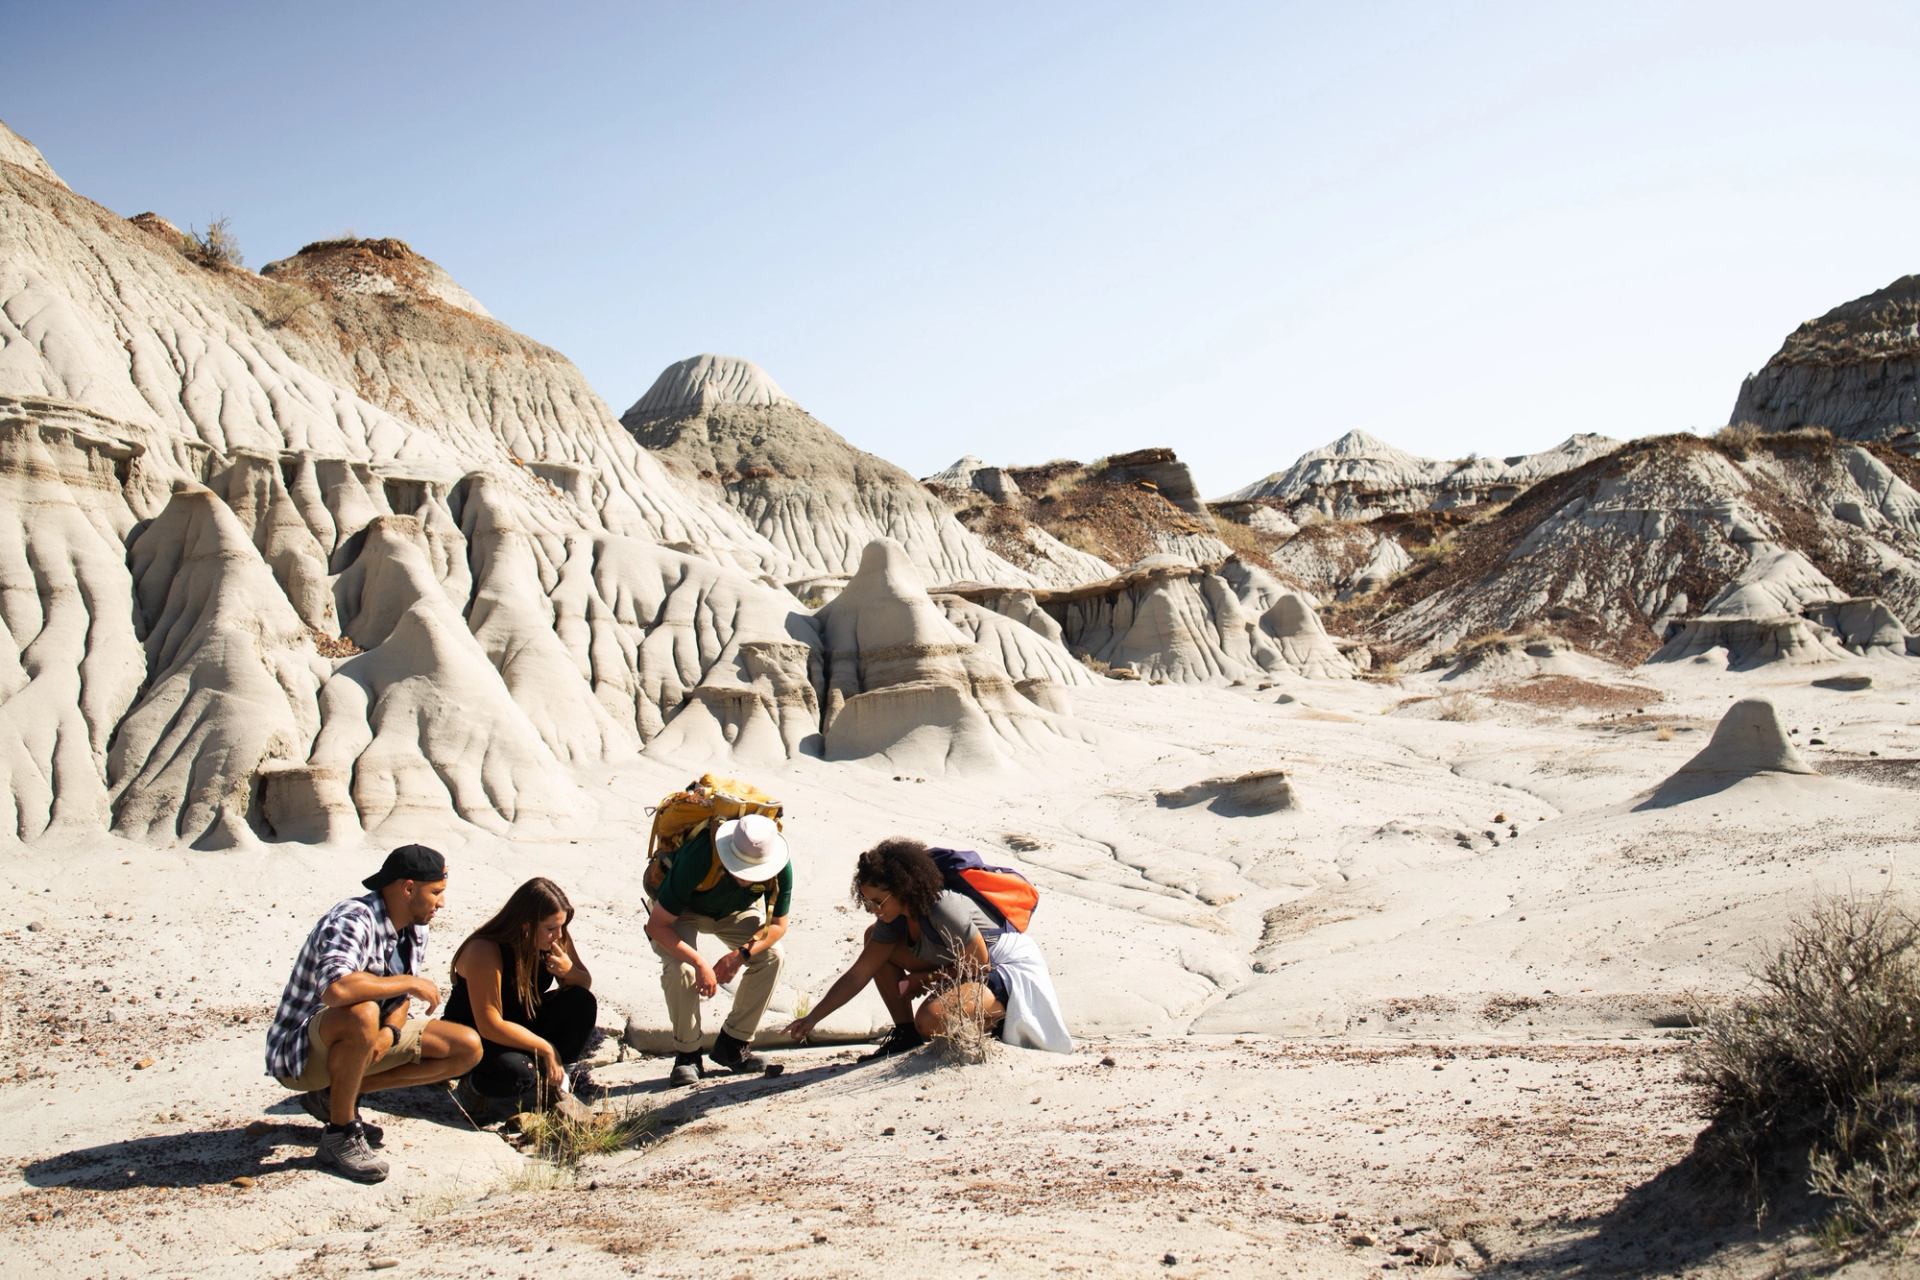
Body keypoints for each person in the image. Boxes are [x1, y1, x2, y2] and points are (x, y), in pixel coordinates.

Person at [264, 845, 483, 1183]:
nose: (441, 903)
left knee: (467, 1046)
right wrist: (410, 982)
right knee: (362, 1011)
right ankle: (340, 1134)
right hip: (301, 1055)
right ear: (408, 888)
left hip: (363, 1041)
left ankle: (336, 1097)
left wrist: (391, 1033)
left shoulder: (415, 927)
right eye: (436, 893)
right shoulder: (353, 919)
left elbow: (400, 999)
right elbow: (334, 989)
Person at [784, 838, 1073, 1058]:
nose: (872, 908)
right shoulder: (891, 918)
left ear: (903, 889)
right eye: (866, 901)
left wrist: (925, 979)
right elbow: (859, 974)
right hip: (963, 966)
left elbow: (979, 965)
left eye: (878, 901)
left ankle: (996, 1022)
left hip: (1004, 968)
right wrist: (812, 1019)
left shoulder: (941, 907)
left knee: (931, 1019)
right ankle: (905, 1033)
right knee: (875, 940)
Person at [644, 811, 790, 1085]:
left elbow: (779, 925)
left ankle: (733, 1045)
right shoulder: (699, 857)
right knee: (682, 968)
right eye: (741, 869)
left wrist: (740, 954)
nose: (747, 878)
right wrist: (701, 963)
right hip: (681, 911)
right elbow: (657, 925)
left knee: (772, 956)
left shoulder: (779, 860)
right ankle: (687, 1055)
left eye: (754, 872)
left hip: (732, 911)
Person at [444, 877, 597, 1116]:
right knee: (517, 1073)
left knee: (581, 1002)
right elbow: (490, 1024)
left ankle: (557, 1081)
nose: (558, 935)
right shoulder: (484, 950)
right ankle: (472, 1088)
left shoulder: (555, 938)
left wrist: (569, 972)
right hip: (477, 1036)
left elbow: (583, 983)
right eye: (550, 929)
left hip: (521, 1021)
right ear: (526, 925)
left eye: (562, 926)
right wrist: (545, 1048)